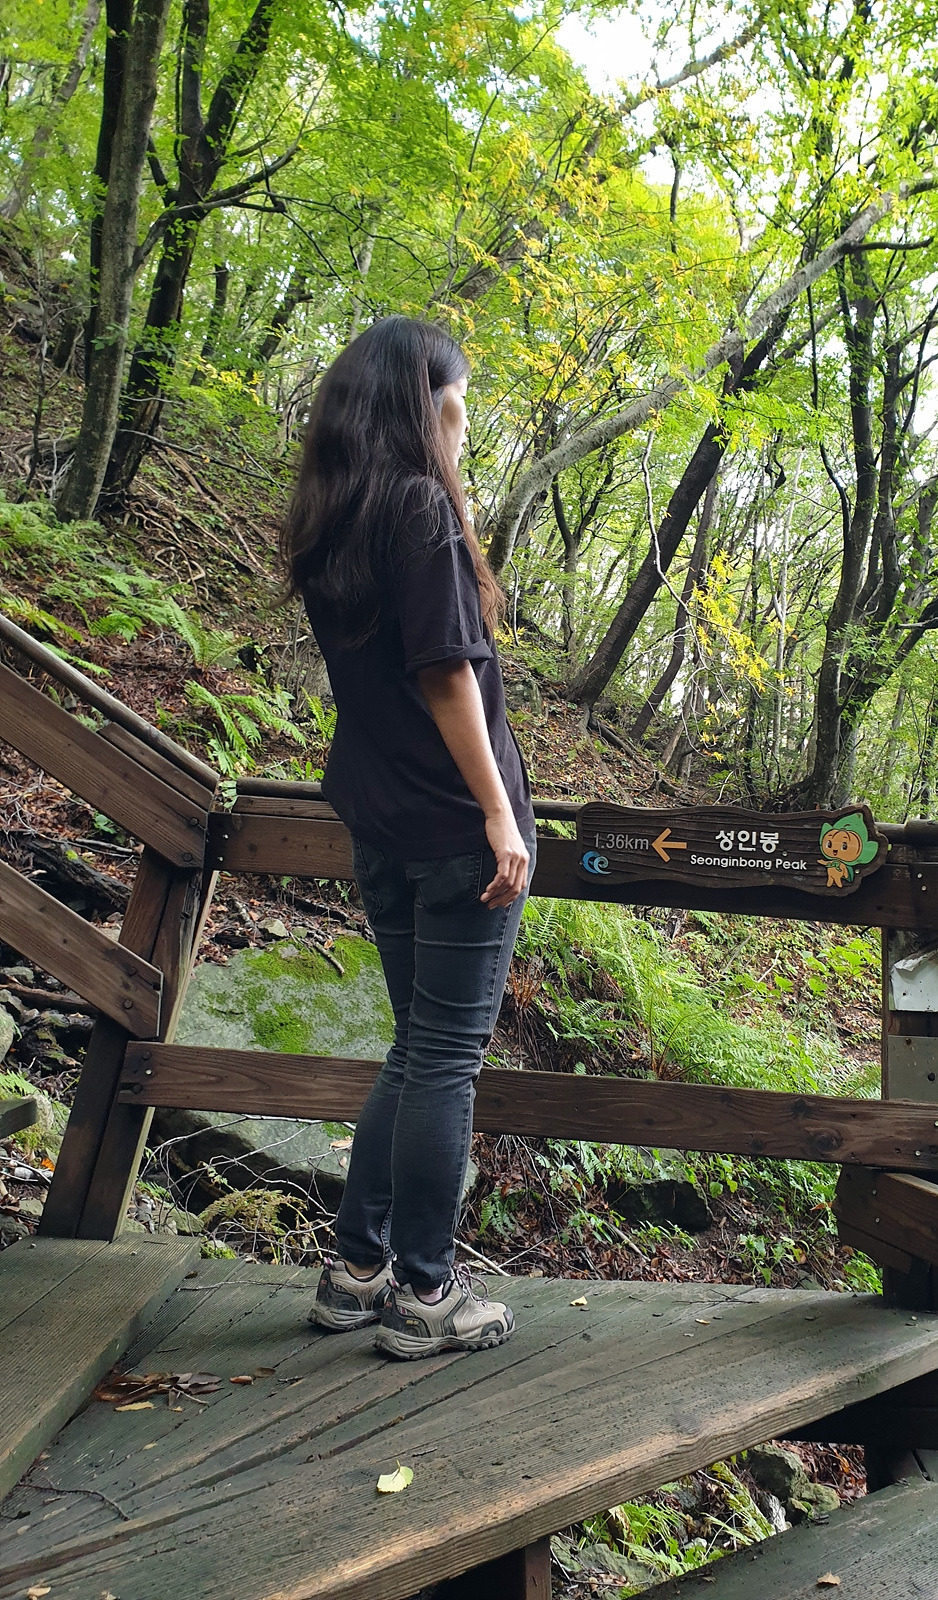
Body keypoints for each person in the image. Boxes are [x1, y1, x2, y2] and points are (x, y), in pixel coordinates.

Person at [279, 316, 535, 1359]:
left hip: (381, 821)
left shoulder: (333, 514)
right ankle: (427, 1290)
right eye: (456, 409)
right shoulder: (421, 509)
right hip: (451, 825)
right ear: (419, 408)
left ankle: (356, 1270)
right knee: (445, 1059)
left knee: (416, 1046)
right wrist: (498, 810)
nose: (463, 430)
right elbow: (445, 674)